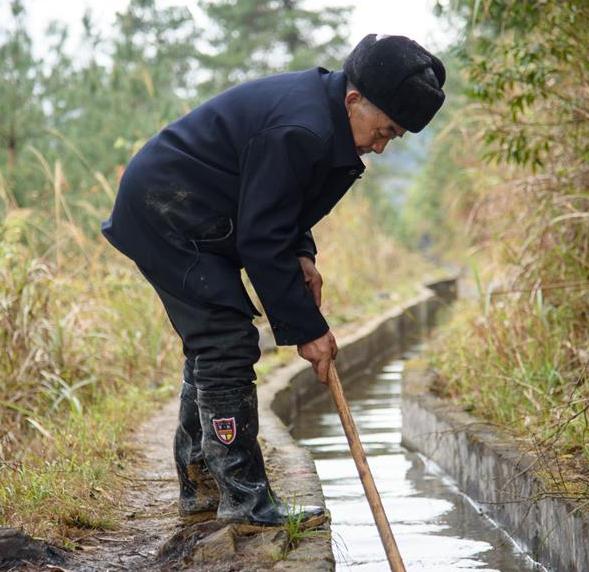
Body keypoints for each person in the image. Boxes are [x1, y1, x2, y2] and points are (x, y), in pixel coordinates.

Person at [100, 34, 446, 526]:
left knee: (215, 342)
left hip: (205, 214)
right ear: (353, 100)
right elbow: (262, 239)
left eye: (395, 138)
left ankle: (202, 484)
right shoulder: (301, 128)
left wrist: (302, 254)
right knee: (224, 341)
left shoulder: (325, 119)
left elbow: (283, 206)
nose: (382, 146)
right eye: (385, 130)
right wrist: (309, 330)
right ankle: (244, 499)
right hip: (169, 210)